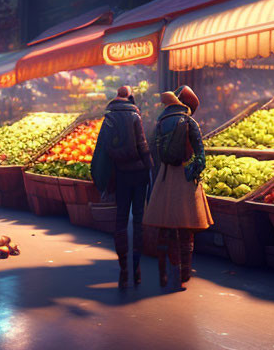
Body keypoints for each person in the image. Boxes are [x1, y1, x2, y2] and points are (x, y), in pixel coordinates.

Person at [142, 85, 213, 292]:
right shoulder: (190, 122)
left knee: (166, 226)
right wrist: (193, 173)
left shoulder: (161, 122)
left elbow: (152, 149)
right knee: (186, 229)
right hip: (183, 178)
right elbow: (200, 156)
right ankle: (183, 275)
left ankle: (167, 272)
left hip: (164, 177)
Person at [91, 85, 152, 289]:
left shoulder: (109, 118)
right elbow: (142, 145)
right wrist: (150, 166)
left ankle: (123, 271)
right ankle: (136, 270)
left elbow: (103, 148)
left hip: (121, 175)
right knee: (138, 221)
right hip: (139, 174)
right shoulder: (135, 116)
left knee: (120, 221)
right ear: (130, 97)